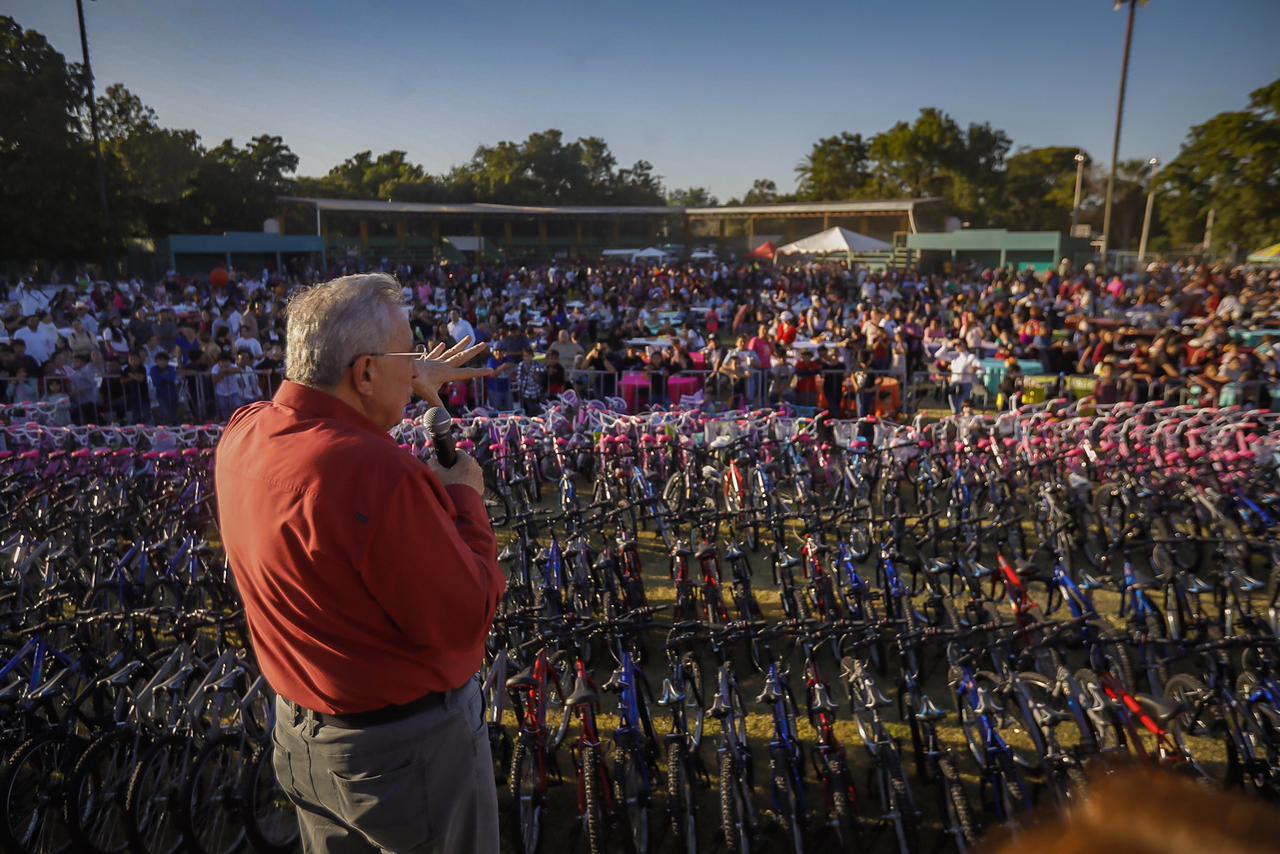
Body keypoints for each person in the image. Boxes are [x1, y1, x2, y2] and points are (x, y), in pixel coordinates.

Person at [215, 274, 500, 854]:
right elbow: (466, 616)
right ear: (364, 372)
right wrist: (465, 495)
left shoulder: (244, 432)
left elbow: (312, 394)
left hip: (303, 736)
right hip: (403, 756)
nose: (416, 366)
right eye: (408, 355)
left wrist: (396, 380)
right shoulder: (375, 473)